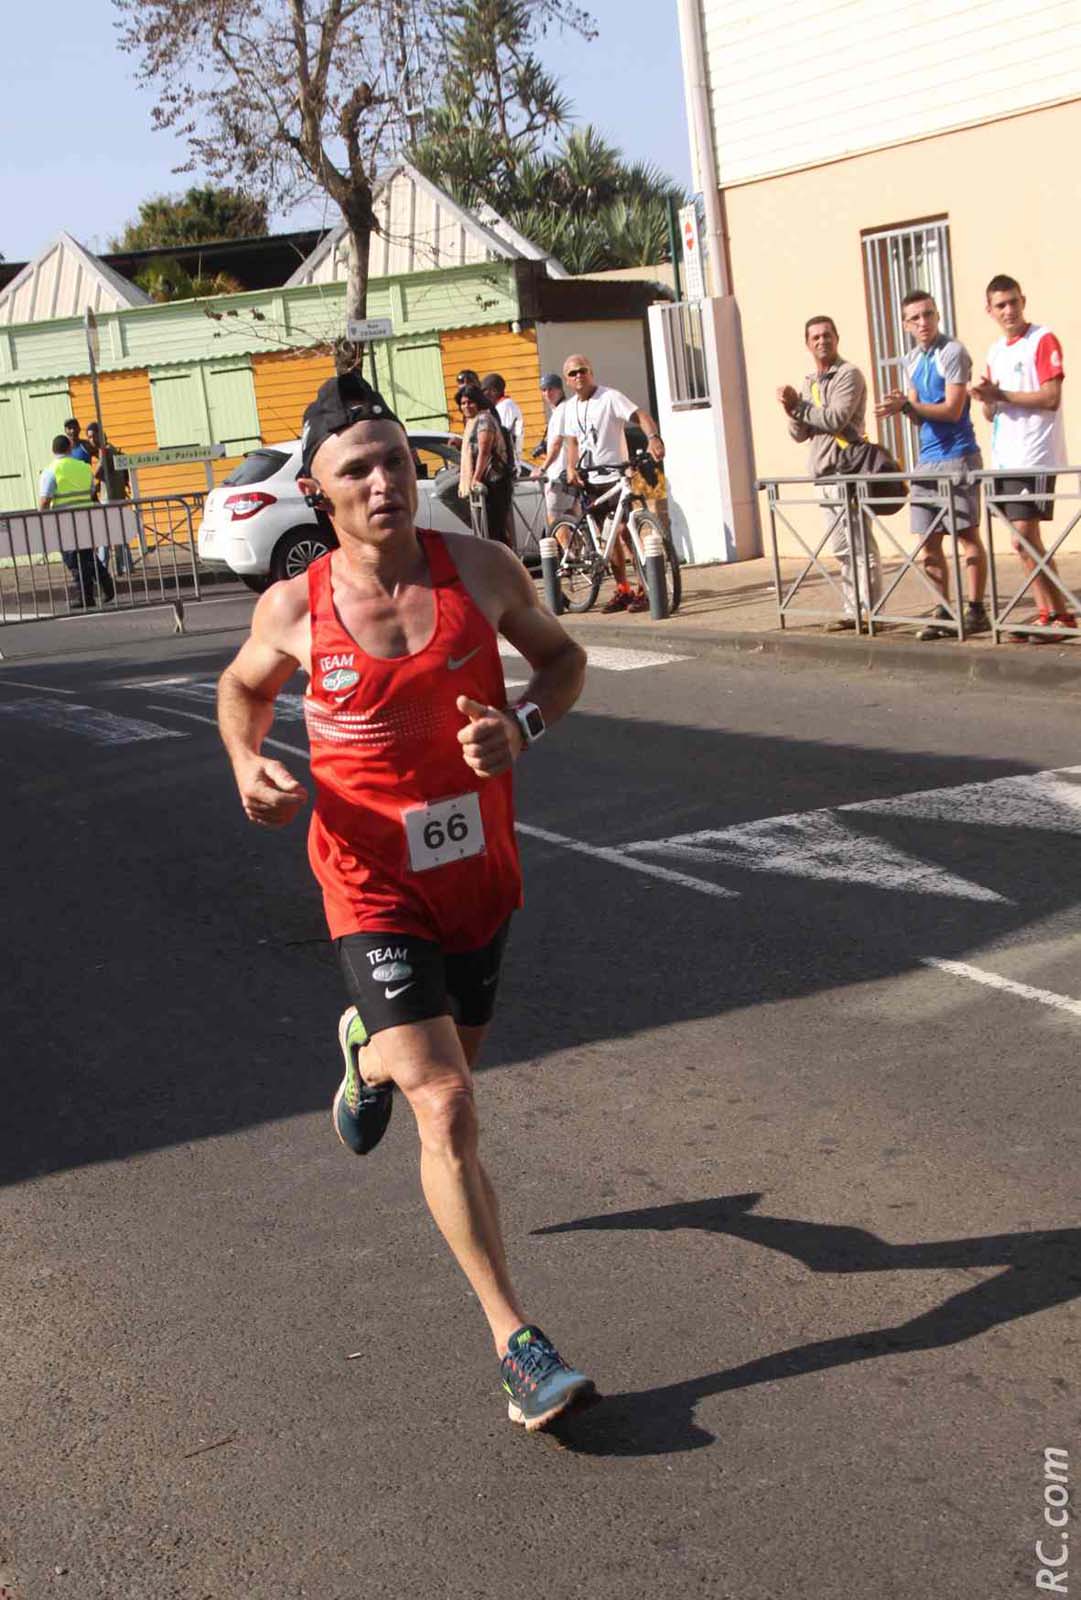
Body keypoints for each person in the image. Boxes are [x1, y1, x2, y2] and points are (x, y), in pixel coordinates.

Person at [216, 369, 595, 1431]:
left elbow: (564, 664)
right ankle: (516, 1343)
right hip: (366, 877)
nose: (384, 481)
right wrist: (247, 763)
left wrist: (522, 726)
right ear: (319, 493)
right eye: (357, 469)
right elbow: (240, 690)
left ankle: (364, 1046)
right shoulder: (294, 606)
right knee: (448, 1106)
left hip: (478, 873)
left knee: (452, 1063)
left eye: (393, 460)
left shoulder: (480, 568)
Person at [875, 290, 989, 640]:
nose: (923, 323)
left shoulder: (952, 352)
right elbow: (917, 414)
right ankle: (943, 608)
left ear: (937, 316)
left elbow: (953, 410)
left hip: (958, 455)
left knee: (967, 534)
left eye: (928, 315)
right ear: (906, 324)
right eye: (915, 318)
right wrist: (902, 405)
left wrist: (907, 408)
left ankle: (976, 609)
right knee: (928, 539)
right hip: (927, 458)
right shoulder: (911, 360)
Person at [970, 274, 1076, 640]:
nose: (1009, 310)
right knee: (1019, 541)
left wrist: (1003, 394)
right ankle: (1046, 612)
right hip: (1006, 457)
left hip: (1035, 453)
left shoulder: (1042, 339)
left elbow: (1051, 397)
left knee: (1026, 537)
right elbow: (992, 411)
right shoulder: (996, 351)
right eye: (1001, 305)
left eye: (1014, 302)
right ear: (990, 310)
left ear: (1023, 301)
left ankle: (1062, 615)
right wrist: (987, 399)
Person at [779, 316, 882, 631]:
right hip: (823, 473)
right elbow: (800, 434)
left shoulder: (848, 375)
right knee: (842, 548)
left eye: (827, 335)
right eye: (815, 337)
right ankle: (853, 610)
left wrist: (800, 408)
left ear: (837, 338)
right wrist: (791, 409)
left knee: (860, 545)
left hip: (847, 469)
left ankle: (869, 612)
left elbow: (837, 418)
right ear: (808, 344)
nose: (822, 341)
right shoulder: (810, 382)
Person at [561, 353, 665, 614]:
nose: (578, 376)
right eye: (573, 373)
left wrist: (653, 437)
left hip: (616, 477)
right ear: (567, 379)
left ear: (591, 372)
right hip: (590, 478)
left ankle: (644, 588)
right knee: (609, 539)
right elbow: (571, 441)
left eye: (582, 370)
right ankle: (622, 589)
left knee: (625, 533)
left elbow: (640, 414)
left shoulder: (609, 397)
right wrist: (571, 466)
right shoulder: (569, 408)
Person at [39, 434, 114, 609]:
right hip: (85, 518)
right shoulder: (83, 467)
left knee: (74, 560)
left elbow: (44, 500)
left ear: (53, 450)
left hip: (64, 522)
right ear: (70, 448)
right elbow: (90, 490)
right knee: (87, 556)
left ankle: (86, 596)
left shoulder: (50, 471)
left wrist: (42, 520)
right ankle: (106, 584)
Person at [456, 382, 514, 548]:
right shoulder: (472, 422)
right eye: (463, 403)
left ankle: (505, 568)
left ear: (479, 402)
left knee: (496, 532)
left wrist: (475, 479)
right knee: (490, 532)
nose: (466, 406)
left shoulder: (484, 420)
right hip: (486, 483)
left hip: (495, 482)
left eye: (470, 402)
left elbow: (484, 452)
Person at [531, 372, 579, 532]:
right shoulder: (563, 409)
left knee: (554, 519)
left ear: (560, 390)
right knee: (574, 518)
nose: (547, 393)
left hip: (559, 475)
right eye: (543, 390)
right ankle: (583, 552)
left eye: (551, 389)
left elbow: (557, 445)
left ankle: (570, 554)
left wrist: (542, 468)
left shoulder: (561, 411)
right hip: (569, 473)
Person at [86, 420, 134, 575]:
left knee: (105, 535)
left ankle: (102, 569)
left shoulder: (105, 451)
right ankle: (125, 566)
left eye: (93, 436)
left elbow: (98, 472)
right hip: (117, 496)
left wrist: (90, 478)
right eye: (89, 437)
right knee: (118, 534)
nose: (91, 440)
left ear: (101, 434)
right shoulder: (112, 449)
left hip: (109, 498)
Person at [481, 373, 524, 468]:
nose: (482, 395)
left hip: (507, 465)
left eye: (484, 391)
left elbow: (502, 437)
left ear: (494, 391)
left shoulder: (505, 406)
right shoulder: (499, 407)